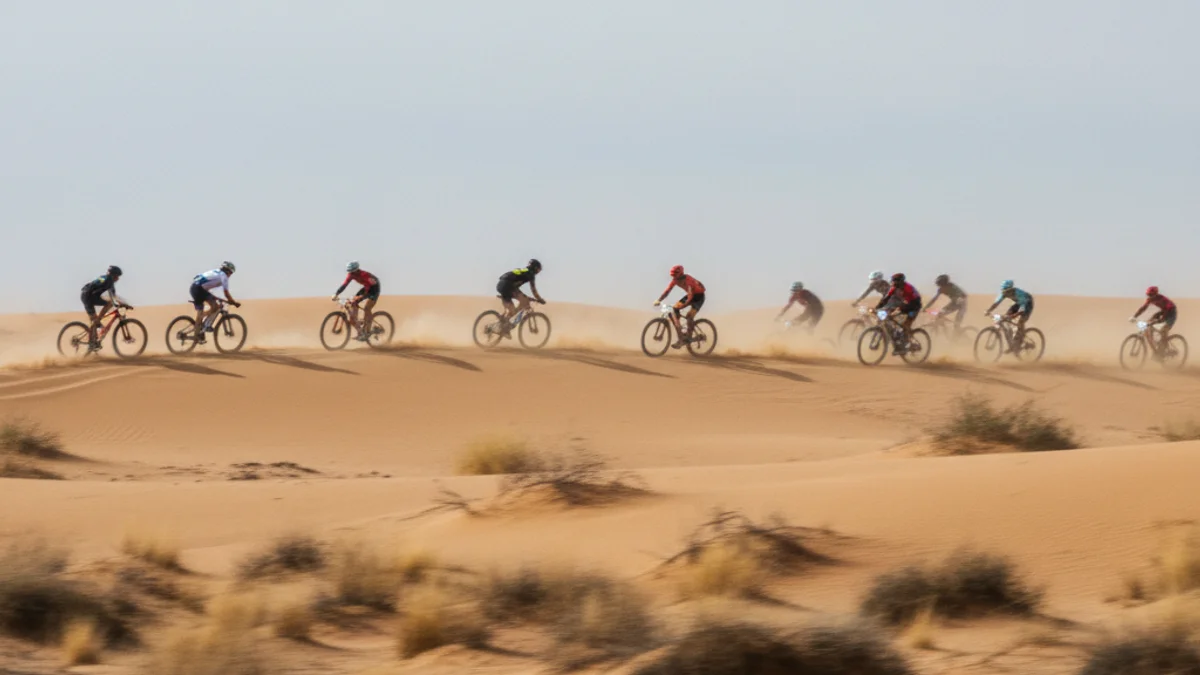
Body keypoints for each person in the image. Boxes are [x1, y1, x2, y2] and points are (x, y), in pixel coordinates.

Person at [80, 265, 132, 350]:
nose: (118, 279)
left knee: (99, 317)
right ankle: (92, 341)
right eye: (117, 276)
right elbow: (114, 297)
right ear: (113, 275)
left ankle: (94, 340)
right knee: (107, 307)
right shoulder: (108, 280)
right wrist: (125, 304)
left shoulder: (106, 279)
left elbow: (114, 297)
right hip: (87, 297)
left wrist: (122, 303)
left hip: (89, 296)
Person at [190, 262, 241, 345]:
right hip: (198, 290)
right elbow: (226, 292)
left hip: (198, 288)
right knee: (213, 307)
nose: (230, 275)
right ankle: (202, 326)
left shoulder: (216, 272)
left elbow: (203, 280)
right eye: (231, 272)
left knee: (215, 306)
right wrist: (233, 302)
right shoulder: (223, 276)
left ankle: (202, 324)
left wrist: (215, 297)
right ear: (227, 271)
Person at [332, 261, 381, 341]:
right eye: (350, 272)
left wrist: (361, 296)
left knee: (367, 309)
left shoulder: (364, 274)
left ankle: (367, 330)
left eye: (353, 272)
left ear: (356, 270)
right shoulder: (351, 275)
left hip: (374, 288)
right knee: (353, 302)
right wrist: (336, 293)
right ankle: (358, 326)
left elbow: (368, 289)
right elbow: (345, 284)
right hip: (366, 287)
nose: (351, 274)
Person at [496, 259, 545, 336]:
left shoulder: (524, 271)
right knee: (521, 303)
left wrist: (526, 297)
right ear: (535, 268)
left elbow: (516, 289)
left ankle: (503, 325)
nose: (538, 272)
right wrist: (539, 299)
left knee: (514, 307)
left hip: (501, 285)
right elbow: (533, 290)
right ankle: (504, 328)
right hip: (508, 286)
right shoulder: (530, 274)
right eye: (538, 270)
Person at [876, 272, 922, 351]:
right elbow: (886, 298)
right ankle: (898, 339)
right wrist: (877, 307)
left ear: (901, 281)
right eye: (893, 281)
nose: (893, 283)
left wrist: (902, 307)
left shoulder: (908, 288)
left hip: (915, 306)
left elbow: (916, 301)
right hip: (906, 305)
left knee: (906, 325)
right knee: (890, 317)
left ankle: (909, 343)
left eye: (895, 281)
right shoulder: (894, 288)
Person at [984, 280, 1034, 350]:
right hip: (1018, 303)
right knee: (1006, 317)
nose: (1005, 293)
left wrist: (1015, 315)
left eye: (1006, 291)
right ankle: (1012, 343)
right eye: (1003, 291)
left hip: (1027, 304)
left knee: (1021, 321)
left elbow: (1022, 308)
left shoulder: (1018, 293)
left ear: (1011, 289)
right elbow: (996, 303)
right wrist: (988, 310)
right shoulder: (1004, 293)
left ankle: (1021, 341)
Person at [1132, 286, 1177, 358]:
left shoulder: (1162, 299)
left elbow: (1167, 310)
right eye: (1148, 295)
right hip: (1163, 311)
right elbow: (1143, 308)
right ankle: (1156, 350)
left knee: (1164, 330)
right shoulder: (1149, 299)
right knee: (1148, 324)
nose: (1149, 296)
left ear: (1156, 294)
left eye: (1151, 295)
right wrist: (1134, 316)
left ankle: (1163, 350)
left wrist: (1161, 319)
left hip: (1171, 313)